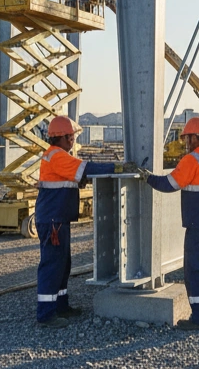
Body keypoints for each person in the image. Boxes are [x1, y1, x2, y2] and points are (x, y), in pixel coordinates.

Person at [35, 115, 133, 328]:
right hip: (53, 220)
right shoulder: (57, 156)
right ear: (62, 137)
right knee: (53, 264)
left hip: (57, 218)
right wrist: (118, 168)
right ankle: (46, 314)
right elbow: (86, 169)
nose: (73, 140)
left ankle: (61, 305)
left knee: (62, 264)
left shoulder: (56, 156)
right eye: (71, 136)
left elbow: (75, 178)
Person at [143, 115, 199, 330]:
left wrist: (148, 177)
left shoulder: (192, 160)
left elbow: (170, 183)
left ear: (192, 138)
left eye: (186, 139)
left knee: (196, 270)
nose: (185, 143)